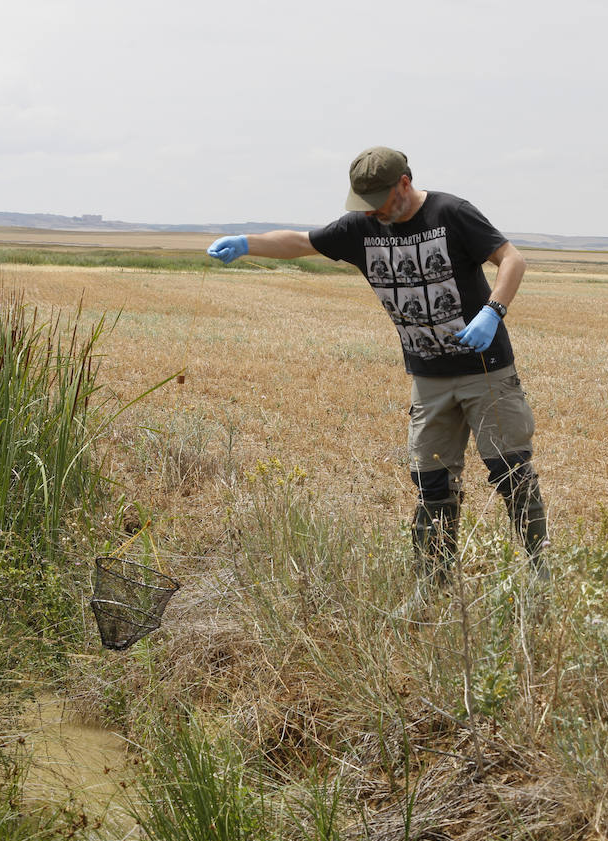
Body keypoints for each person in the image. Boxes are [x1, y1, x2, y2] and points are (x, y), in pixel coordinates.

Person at [207, 146, 548, 602]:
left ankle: (540, 575)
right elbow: (301, 241)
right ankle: (432, 589)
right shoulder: (362, 227)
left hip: (484, 370)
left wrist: (493, 311)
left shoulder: (452, 212)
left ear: (404, 184)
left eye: (382, 200)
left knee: (511, 473)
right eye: (365, 202)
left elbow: (512, 259)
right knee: (433, 485)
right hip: (428, 378)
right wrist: (248, 244)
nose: (374, 211)